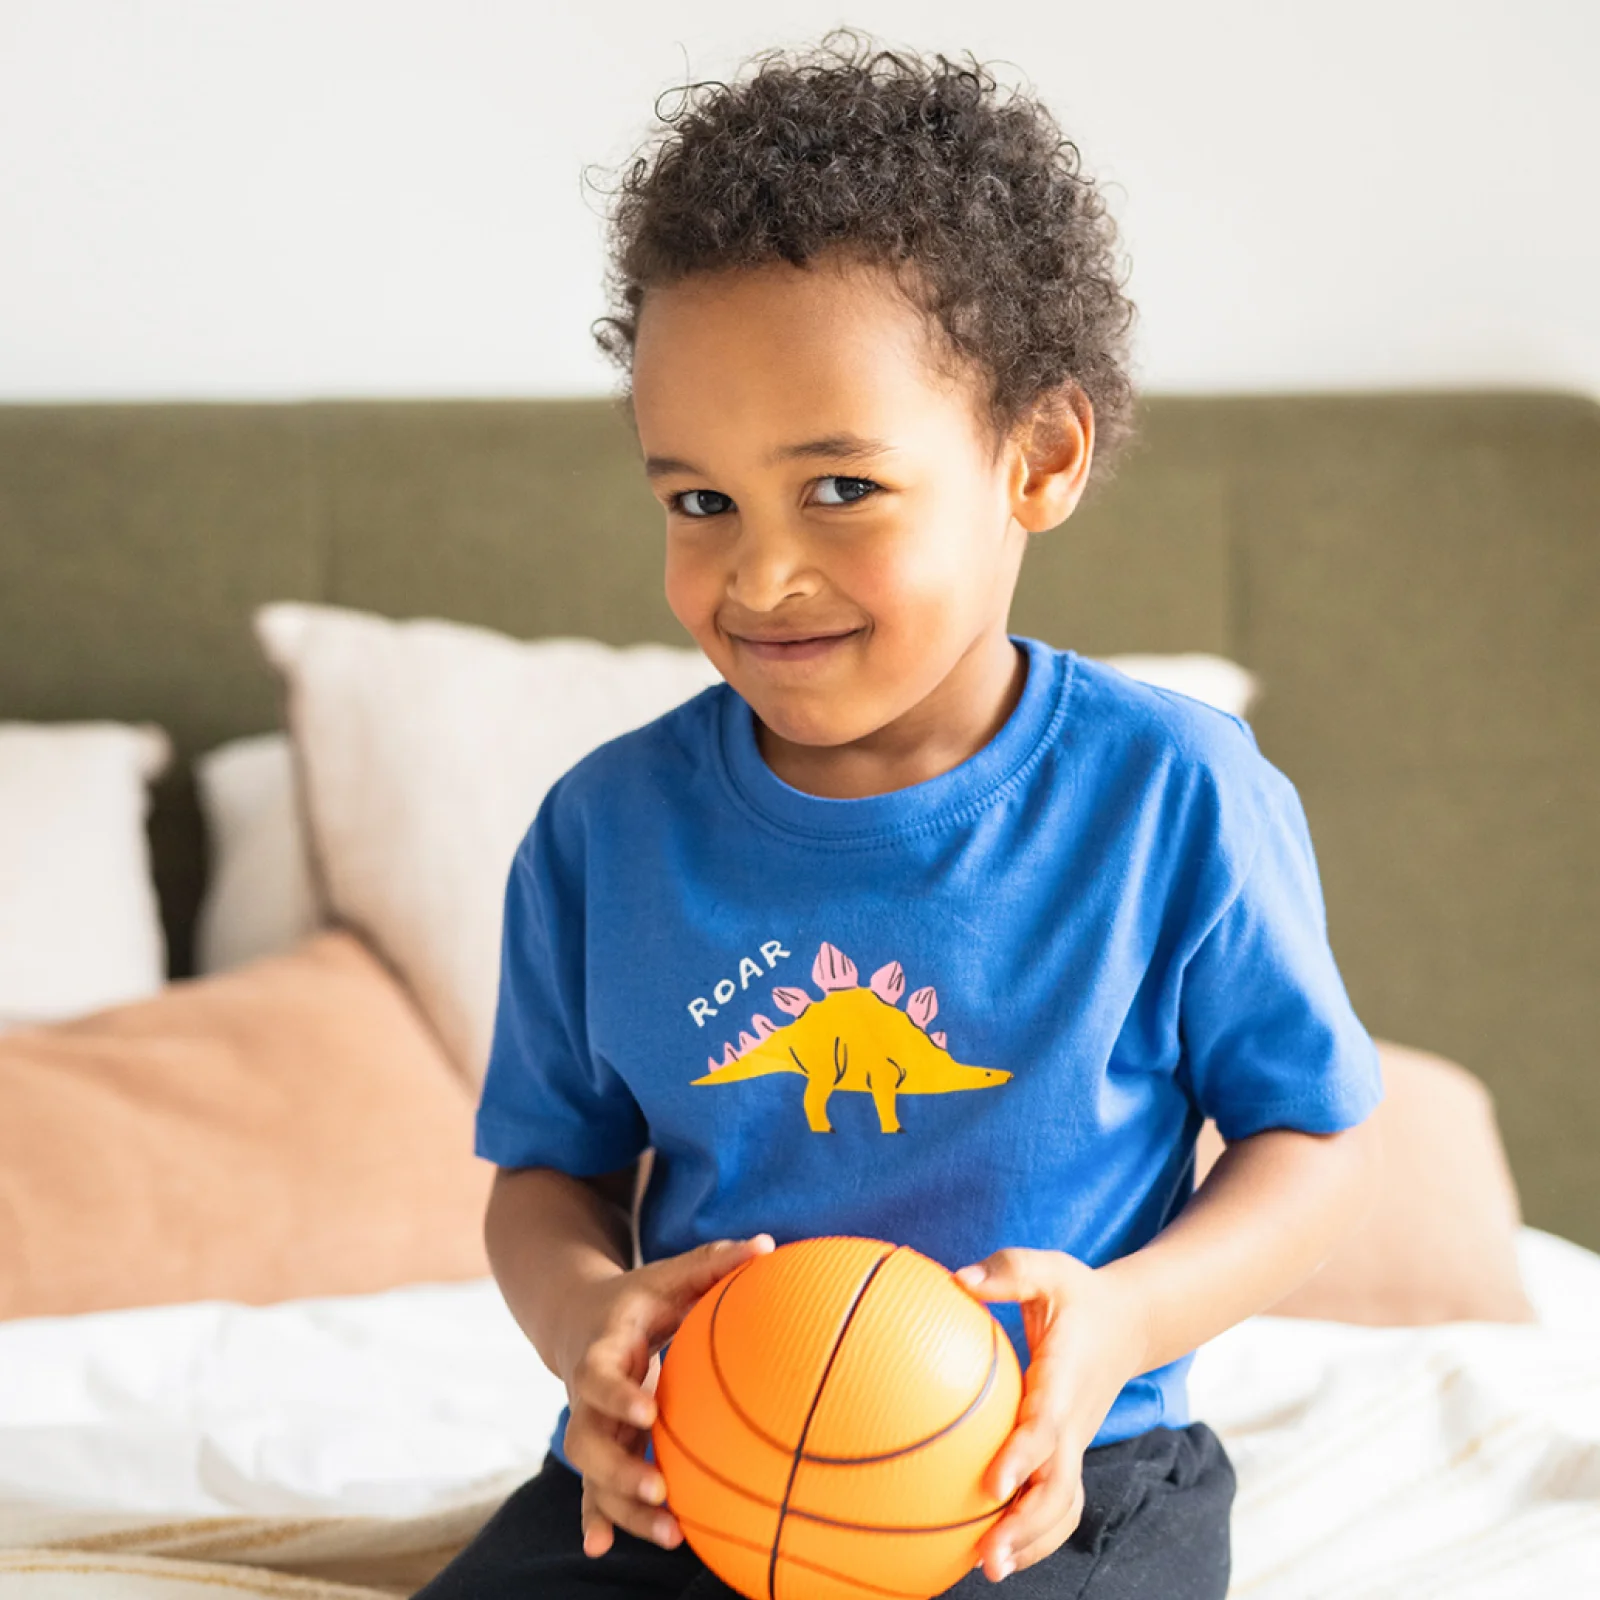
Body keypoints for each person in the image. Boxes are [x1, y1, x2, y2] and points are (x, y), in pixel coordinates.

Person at [414, 29, 1382, 1600]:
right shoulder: (605, 831)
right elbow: (546, 1180)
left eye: (842, 489)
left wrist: (1123, 1322)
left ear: (1038, 459)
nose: (758, 573)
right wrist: (585, 1317)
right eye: (700, 501)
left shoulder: (1176, 797)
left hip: (1056, 1463)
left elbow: (1311, 1140)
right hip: (700, 1461)